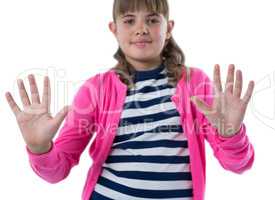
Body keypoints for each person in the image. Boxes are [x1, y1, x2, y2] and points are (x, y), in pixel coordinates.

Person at [5, 0, 255, 199]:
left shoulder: (195, 83)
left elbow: (237, 164)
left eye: (152, 19)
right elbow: (56, 172)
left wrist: (231, 133)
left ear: (168, 29)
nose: (141, 28)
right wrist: (39, 148)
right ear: (114, 29)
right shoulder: (96, 89)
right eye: (129, 20)